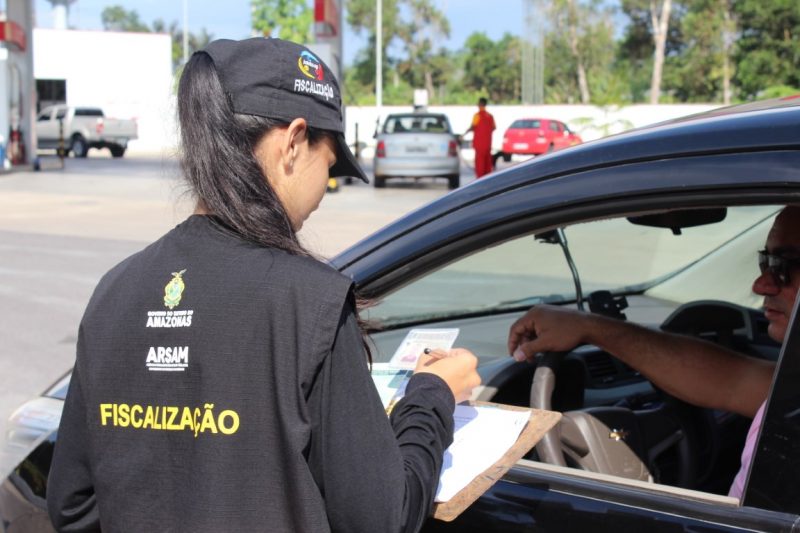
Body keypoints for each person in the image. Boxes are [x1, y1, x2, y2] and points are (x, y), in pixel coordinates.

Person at [47, 38, 480, 533]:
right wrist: (431, 395)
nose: (325, 191)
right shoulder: (308, 300)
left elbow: (73, 505)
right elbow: (381, 516)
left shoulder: (115, 291)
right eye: (331, 165)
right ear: (293, 142)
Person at [507, 206, 800, 499]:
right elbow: (731, 381)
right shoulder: (789, 389)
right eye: (767, 262)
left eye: (785, 267)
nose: (761, 285)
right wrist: (588, 327)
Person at [464, 97, 496, 178]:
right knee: (487, 164)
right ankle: (487, 180)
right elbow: (494, 128)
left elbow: (472, 127)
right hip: (488, 144)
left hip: (479, 145)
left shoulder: (477, 116)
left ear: (480, 104)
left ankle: (480, 180)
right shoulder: (490, 116)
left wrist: (463, 135)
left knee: (479, 164)